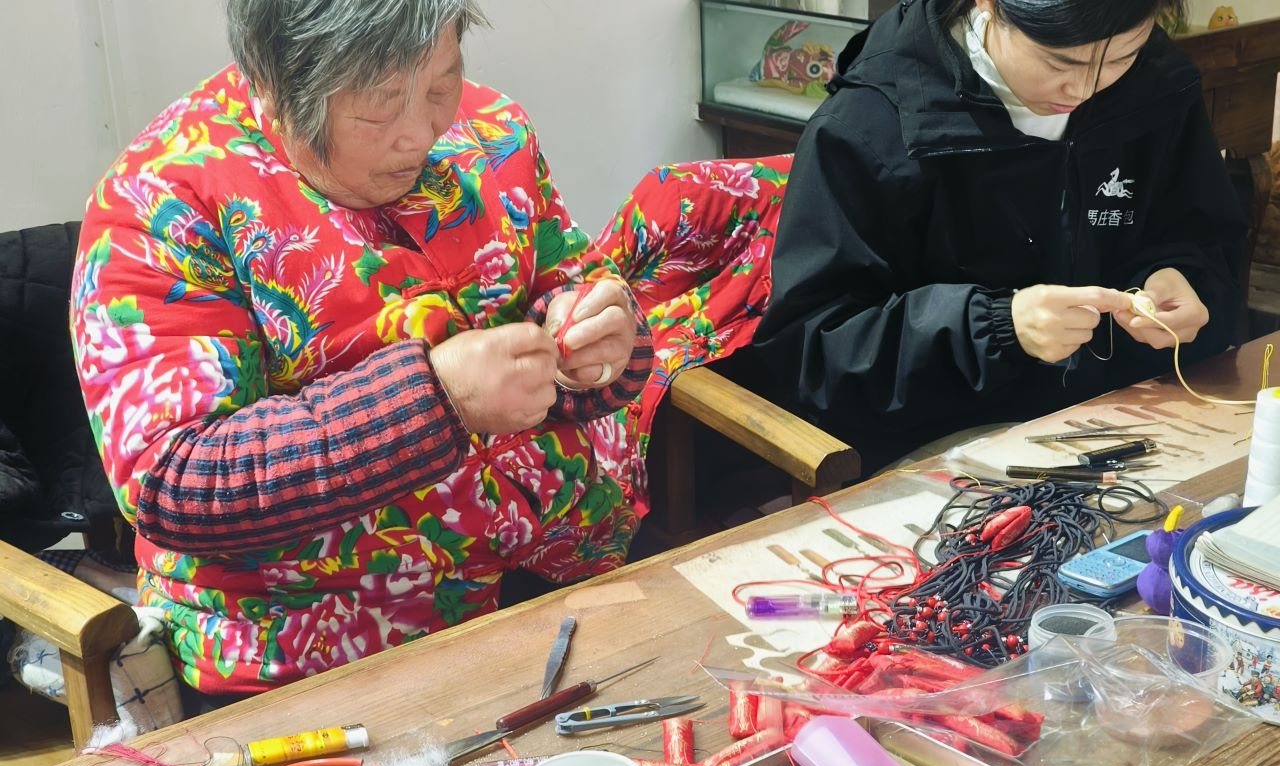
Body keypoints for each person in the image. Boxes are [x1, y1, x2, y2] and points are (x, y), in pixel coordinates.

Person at [71, 0, 656, 696]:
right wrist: (439, 400)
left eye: (441, 81)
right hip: (336, 650)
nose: (423, 133)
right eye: (378, 108)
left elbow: (576, 285)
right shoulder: (159, 207)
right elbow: (176, 485)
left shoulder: (490, 133)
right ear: (274, 88)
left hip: (566, 577)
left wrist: (598, 338)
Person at [753, 0, 1247, 471]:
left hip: (1134, 421)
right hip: (949, 446)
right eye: (1059, 61)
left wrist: (1184, 276)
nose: (1084, 89)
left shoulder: (1158, 83)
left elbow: (1207, 235)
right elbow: (811, 355)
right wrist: (996, 327)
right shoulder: (870, 127)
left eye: (1121, 58)